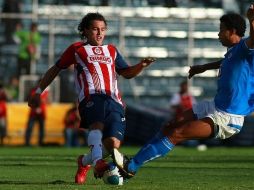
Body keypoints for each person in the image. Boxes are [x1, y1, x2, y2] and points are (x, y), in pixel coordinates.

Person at [112, 5, 254, 179]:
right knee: (170, 125)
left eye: (221, 30)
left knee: (177, 134)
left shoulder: (246, 48)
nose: (218, 34)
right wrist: (203, 67)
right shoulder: (232, 52)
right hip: (214, 106)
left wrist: (251, 19)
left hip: (228, 117)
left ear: (232, 31)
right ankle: (128, 163)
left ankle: (131, 166)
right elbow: (226, 61)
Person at [27, 12, 155, 184]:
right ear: (86, 31)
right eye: (95, 29)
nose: (100, 33)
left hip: (114, 101)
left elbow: (126, 73)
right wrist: (38, 91)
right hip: (91, 97)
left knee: (112, 145)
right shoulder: (77, 49)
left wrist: (141, 66)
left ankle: (84, 162)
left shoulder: (112, 50)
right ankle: (98, 163)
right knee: (97, 125)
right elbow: (55, 69)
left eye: (102, 29)